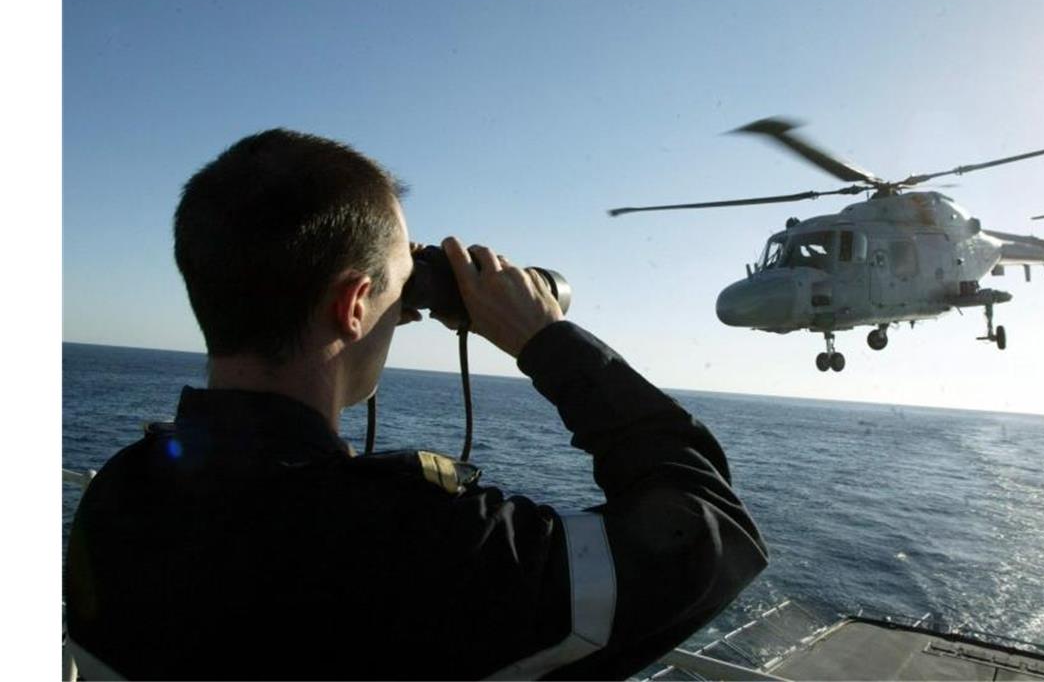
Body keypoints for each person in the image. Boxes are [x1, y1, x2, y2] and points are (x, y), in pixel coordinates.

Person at [65, 129, 768, 680]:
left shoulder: (120, 498)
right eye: (401, 288)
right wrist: (546, 339)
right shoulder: (432, 547)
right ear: (354, 305)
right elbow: (710, 535)